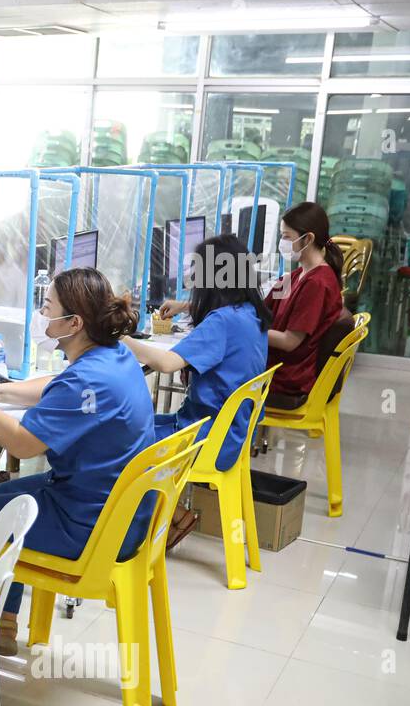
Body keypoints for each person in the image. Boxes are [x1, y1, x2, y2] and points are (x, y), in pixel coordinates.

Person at [0, 268, 154, 655]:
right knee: (7, 494)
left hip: (88, 525)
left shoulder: (86, 381)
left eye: (47, 306)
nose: (41, 313)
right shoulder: (114, 354)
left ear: (73, 322)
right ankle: (3, 622)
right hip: (121, 512)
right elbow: (58, 386)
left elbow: (23, 445)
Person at [126, 234, 272, 545]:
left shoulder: (221, 322)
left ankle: (156, 522)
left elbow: (166, 364)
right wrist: (188, 305)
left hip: (206, 438)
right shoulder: (249, 312)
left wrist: (121, 340)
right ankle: (172, 514)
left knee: (120, 441)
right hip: (230, 432)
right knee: (129, 427)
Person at [262, 202, 346, 410]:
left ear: (308, 238)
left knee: (216, 373)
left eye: (287, 237)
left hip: (285, 377)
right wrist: (190, 306)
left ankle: (217, 439)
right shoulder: (297, 276)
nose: (282, 242)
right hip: (277, 365)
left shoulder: (317, 284)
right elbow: (258, 309)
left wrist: (245, 329)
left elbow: (289, 341)